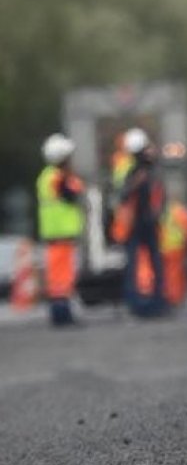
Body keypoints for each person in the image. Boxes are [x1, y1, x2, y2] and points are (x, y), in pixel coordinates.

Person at [115, 128, 167, 317]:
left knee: (153, 263)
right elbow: (123, 195)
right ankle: (137, 304)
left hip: (148, 221)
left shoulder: (151, 169)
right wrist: (135, 183)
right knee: (135, 265)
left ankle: (157, 302)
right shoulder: (129, 171)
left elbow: (160, 194)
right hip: (135, 223)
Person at [36, 134, 85, 326]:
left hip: (54, 234)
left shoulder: (46, 176)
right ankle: (62, 315)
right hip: (61, 233)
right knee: (62, 277)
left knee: (57, 277)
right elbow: (72, 195)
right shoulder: (58, 177)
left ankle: (60, 313)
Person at [135, 200, 187, 307]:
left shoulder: (158, 212)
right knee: (174, 276)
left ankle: (159, 296)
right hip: (175, 248)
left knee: (163, 274)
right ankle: (173, 299)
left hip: (161, 247)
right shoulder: (180, 213)